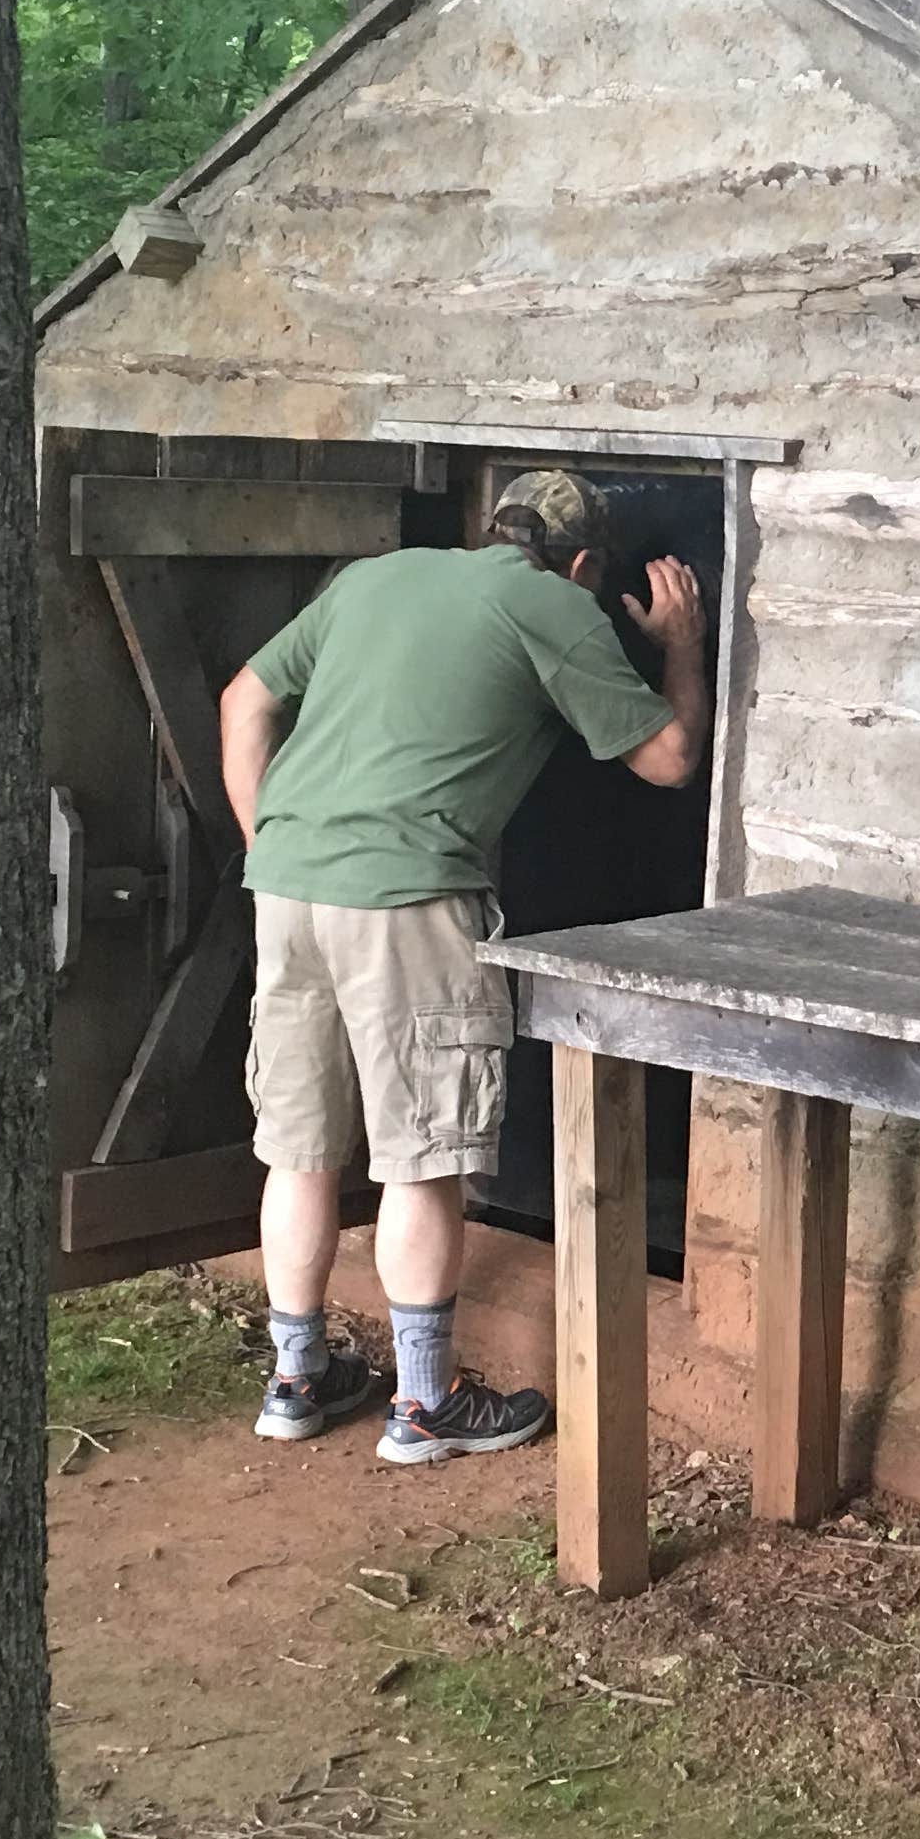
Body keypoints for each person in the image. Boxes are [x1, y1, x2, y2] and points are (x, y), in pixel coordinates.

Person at [216, 468, 710, 1462]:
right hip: (407, 897)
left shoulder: (373, 578)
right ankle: (426, 1405)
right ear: (580, 562)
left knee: (300, 1145)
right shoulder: (552, 603)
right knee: (424, 1150)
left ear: (491, 528)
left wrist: (268, 841)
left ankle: (297, 1378)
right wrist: (682, 649)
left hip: (289, 884)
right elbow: (669, 760)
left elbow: (243, 702)